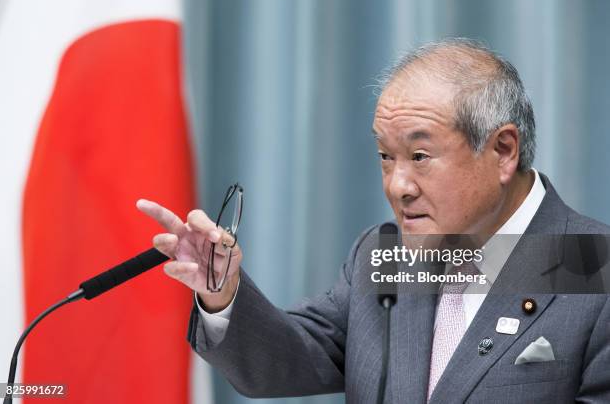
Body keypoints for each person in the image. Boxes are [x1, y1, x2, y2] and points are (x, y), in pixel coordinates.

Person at [136, 38, 610, 403]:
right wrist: (220, 291)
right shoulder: (386, 254)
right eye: (386, 156)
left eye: (420, 156)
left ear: (503, 151)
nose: (397, 186)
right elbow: (287, 359)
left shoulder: (595, 267)